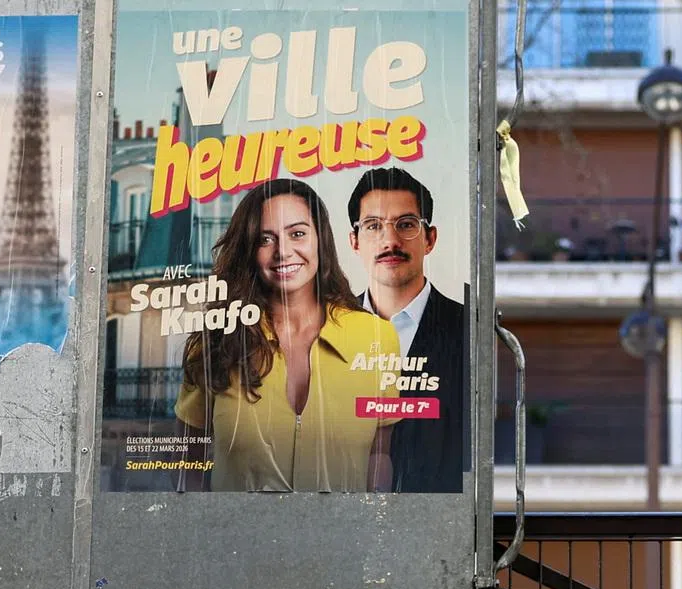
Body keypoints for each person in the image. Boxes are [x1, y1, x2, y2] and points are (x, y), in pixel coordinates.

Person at [175, 179, 401, 492]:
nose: (283, 251)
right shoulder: (215, 340)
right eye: (265, 239)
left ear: (320, 240)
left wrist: (373, 523)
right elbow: (188, 465)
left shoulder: (377, 337)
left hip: (345, 538)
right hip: (234, 540)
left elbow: (380, 452)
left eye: (298, 233)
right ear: (249, 250)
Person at [348, 167, 466, 493]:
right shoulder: (325, 332)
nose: (391, 241)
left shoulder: (469, 330)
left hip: (436, 525)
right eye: (373, 226)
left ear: (430, 239)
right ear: (354, 241)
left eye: (406, 225)